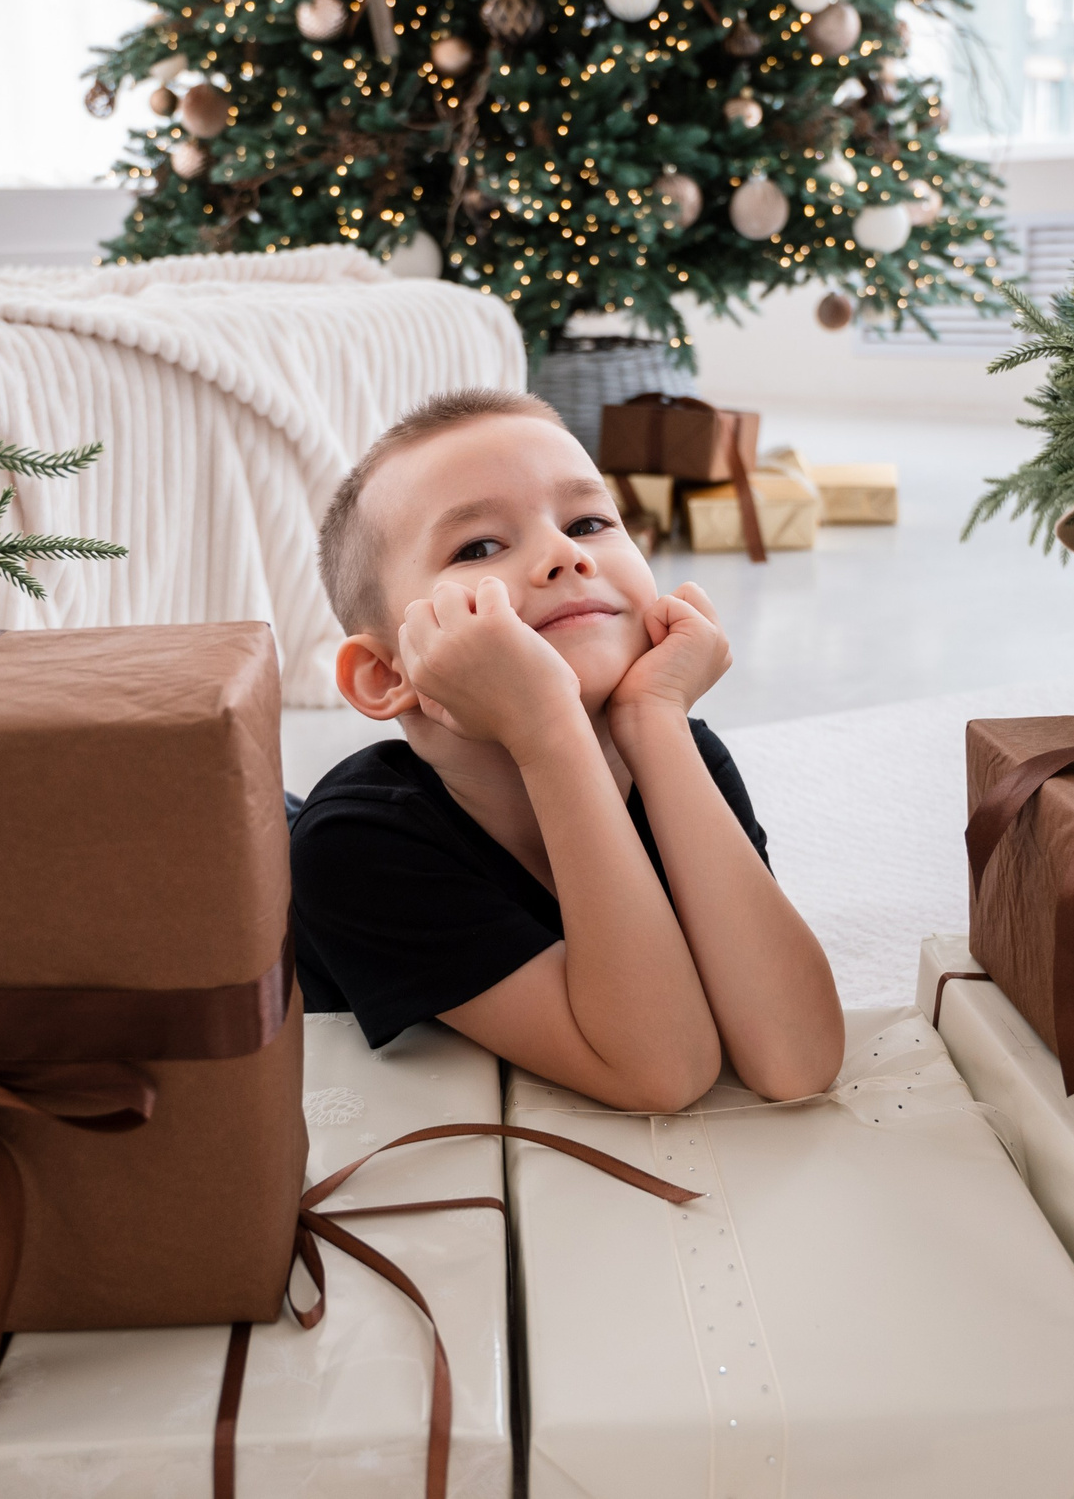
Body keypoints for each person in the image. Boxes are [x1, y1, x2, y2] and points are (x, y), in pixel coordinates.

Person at [292, 388, 843, 1111]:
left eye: (587, 521)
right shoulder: (355, 844)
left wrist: (655, 719)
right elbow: (663, 1071)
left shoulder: (674, 751)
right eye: (479, 546)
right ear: (388, 673)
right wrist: (547, 729)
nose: (562, 554)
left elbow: (796, 1059)